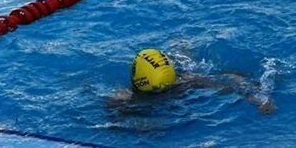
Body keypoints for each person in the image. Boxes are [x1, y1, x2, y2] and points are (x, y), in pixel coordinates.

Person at [116, 48, 274, 114]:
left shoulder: (185, 81)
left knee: (193, 69)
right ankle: (182, 47)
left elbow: (227, 81)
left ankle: (183, 48)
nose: (164, 92)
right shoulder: (122, 98)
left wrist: (257, 99)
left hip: (189, 79)